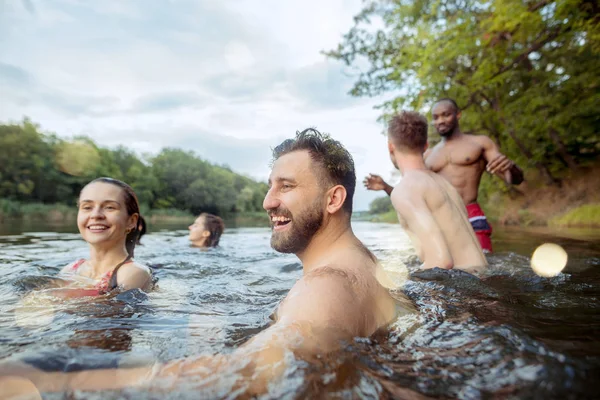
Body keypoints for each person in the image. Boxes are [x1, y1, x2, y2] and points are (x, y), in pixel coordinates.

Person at [0, 129, 401, 396]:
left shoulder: (327, 286)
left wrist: (65, 380)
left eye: (287, 186)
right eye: (269, 186)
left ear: (333, 200)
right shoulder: (364, 264)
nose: (267, 201)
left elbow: (242, 374)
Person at [364, 98, 524, 253]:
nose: (440, 120)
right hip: (443, 218)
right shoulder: (428, 155)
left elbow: (513, 180)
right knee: (447, 273)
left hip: (471, 213)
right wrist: (385, 187)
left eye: (445, 114)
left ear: (458, 114)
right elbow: (411, 195)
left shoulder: (480, 143)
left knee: (482, 273)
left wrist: (512, 167)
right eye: (435, 117)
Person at [385, 111, 487, 273]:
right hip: (483, 277)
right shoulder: (444, 183)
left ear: (390, 146)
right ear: (426, 145)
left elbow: (441, 261)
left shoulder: (405, 189)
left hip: (464, 293)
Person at [53, 177, 153, 297]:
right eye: (87, 207)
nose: (95, 215)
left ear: (131, 221)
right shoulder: (70, 269)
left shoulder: (133, 272)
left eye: (109, 207)